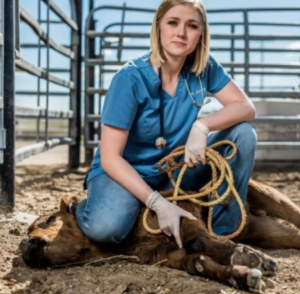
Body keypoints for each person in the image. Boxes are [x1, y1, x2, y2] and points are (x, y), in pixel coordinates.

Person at [75, 0, 257, 249]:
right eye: (173, 22)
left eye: (191, 25)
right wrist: (158, 203)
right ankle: (85, 206)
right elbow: (110, 158)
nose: (181, 33)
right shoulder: (129, 78)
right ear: (158, 26)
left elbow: (246, 107)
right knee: (105, 229)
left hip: (173, 170)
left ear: (200, 34)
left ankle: (224, 234)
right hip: (124, 173)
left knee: (243, 134)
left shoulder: (205, 68)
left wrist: (201, 127)